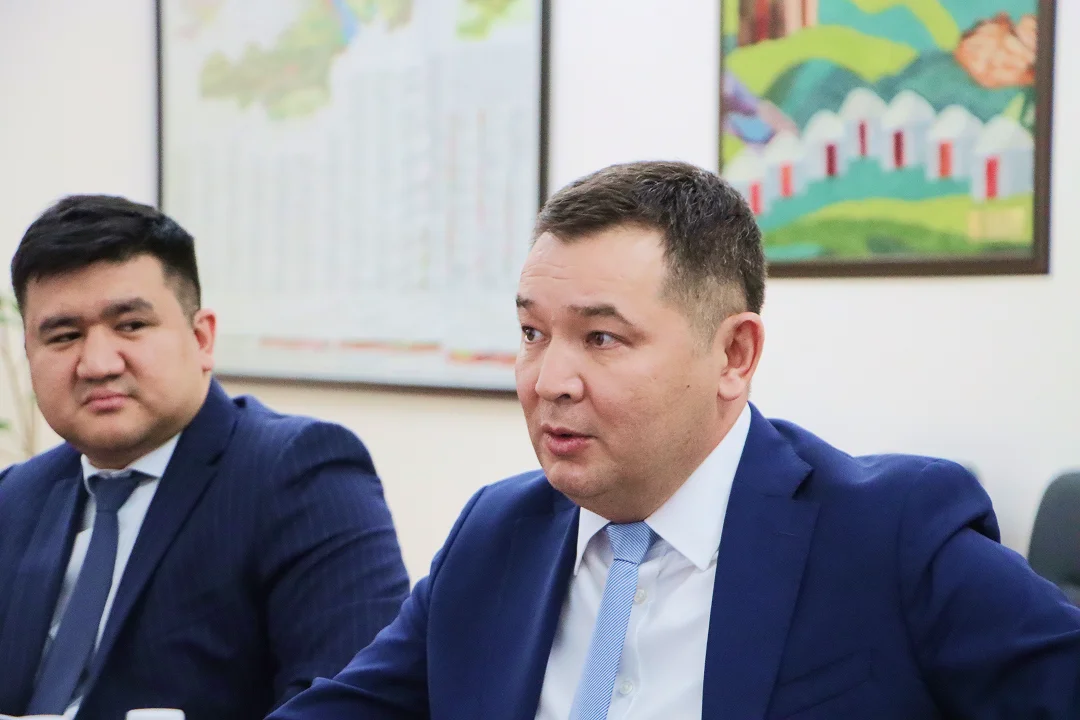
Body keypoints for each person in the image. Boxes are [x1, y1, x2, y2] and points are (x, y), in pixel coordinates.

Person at [268, 161, 1080, 719]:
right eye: (532, 333)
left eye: (601, 338)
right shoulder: (496, 536)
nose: (550, 380)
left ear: (734, 355)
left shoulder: (888, 536)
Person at [0, 195, 410, 720]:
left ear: (202, 338)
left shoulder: (301, 473)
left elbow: (357, 707)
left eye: (131, 326)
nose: (98, 364)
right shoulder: (15, 498)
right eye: (64, 336)